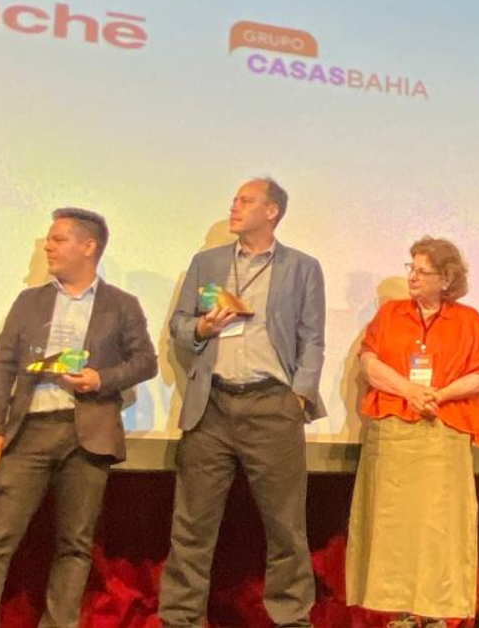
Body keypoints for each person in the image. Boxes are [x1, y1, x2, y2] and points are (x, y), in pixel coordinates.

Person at [0, 208, 158, 628]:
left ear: (89, 247)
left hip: (88, 434)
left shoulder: (121, 304)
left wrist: (100, 378)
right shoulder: (29, 301)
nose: (48, 246)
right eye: (49, 239)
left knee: (75, 545)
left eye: (59, 239)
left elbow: (146, 362)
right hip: (29, 430)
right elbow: (2, 366)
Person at [159, 178, 326, 628]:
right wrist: (202, 329)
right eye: (234, 200)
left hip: (272, 406)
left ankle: (291, 618)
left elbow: (312, 339)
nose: (234, 207)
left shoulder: (302, 267)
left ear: (272, 212)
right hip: (211, 405)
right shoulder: (207, 262)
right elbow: (179, 324)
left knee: (285, 525)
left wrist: (299, 396)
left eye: (246, 201)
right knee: (192, 523)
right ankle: (180, 618)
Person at [345, 236, 479, 628]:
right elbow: (370, 362)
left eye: (422, 271)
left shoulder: (468, 320)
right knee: (395, 525)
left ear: (446, 279)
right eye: (411, 269)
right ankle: (401, 609)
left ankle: (436, 611)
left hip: (444, 434)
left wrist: (440, 395)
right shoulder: (390, 314)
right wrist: (409, 391)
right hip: (394, 434)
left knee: (439, 526)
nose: (413, 277)